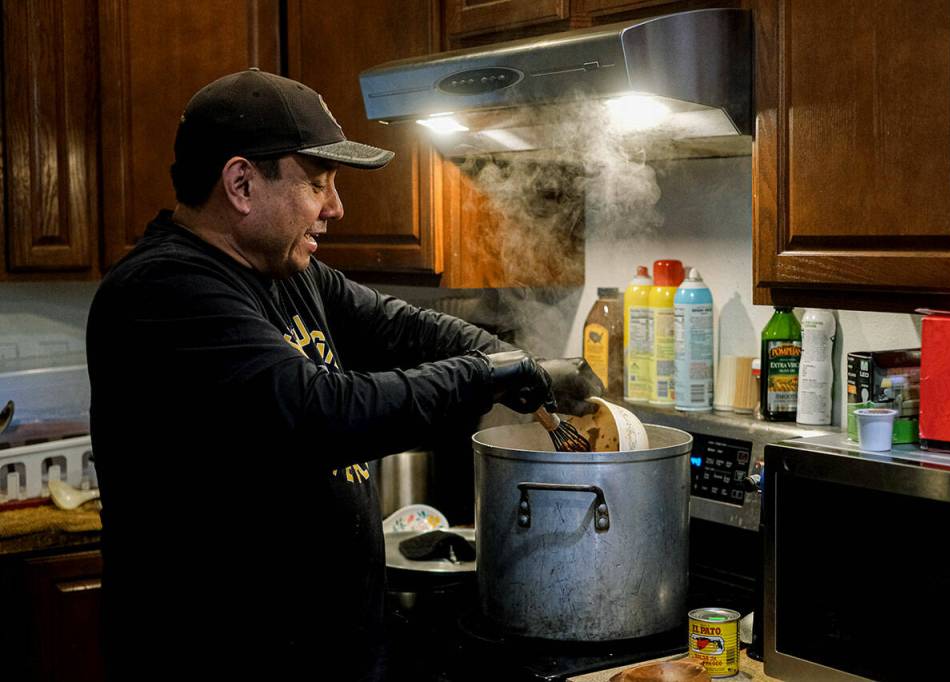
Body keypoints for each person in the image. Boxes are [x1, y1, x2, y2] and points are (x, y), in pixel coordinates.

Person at [86, 68, 601, 681]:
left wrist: (527, 368)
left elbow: (404, 329)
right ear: (242, 183)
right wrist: (484, 375)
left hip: (323, 653)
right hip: (218, 657)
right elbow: (321, 412)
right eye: (317, 184)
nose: (336, 206)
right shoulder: (163, 291)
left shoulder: (289, 273)